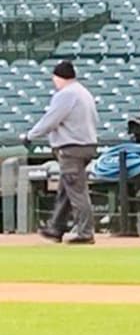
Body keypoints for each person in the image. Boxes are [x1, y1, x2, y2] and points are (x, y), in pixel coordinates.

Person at [21, 61, 100, 244]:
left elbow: (51, 119)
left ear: (59, 77)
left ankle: (85, 232)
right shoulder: (83, 91)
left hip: (72, 147)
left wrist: (31, 135)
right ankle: (56, 227)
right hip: (87, 145)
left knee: (76, 191)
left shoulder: (66, 94)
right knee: (66, 189)